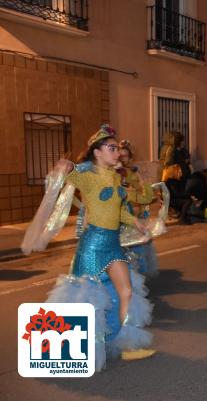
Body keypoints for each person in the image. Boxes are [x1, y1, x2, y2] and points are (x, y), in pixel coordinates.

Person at [21, 124, 155, 371]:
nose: (117, 153)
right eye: (111, 148)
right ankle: (67, 350)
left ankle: (118, 343)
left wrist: (135, 221)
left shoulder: (115, 177)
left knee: (125, 292)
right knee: (84, 298)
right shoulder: (87, 175)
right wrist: (65, 166)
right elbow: (65, 175)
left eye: (117, 148)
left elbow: (117, 211)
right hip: (93, 245)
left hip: (113, 245)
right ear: (97, 152)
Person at [117, 140, 160, 277]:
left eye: (125, 156)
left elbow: (142, 197)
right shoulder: (110, 171)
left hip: (127, 212)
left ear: (130, 158)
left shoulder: (133, 173)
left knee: (131, 245)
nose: (123, 158)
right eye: (120, 155)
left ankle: (131, 273)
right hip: (113, 214)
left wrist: (143, 213)